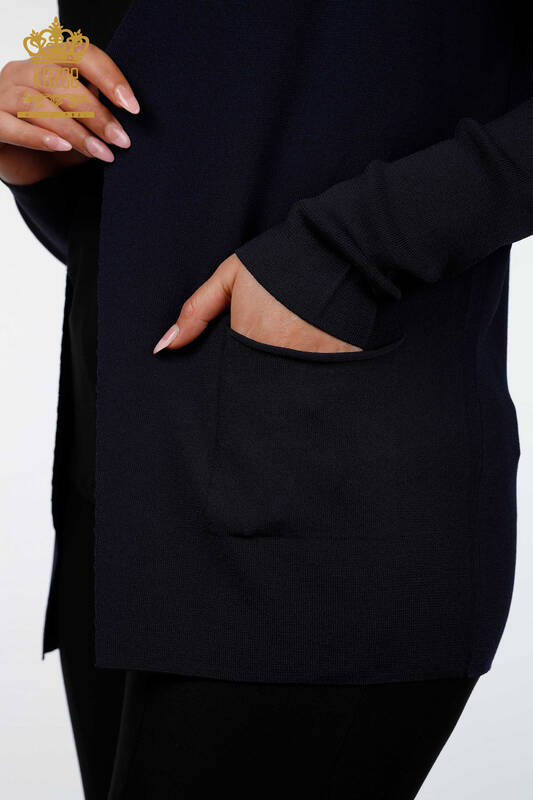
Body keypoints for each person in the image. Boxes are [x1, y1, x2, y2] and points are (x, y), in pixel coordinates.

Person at [1, 1, 531, 797]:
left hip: (321, 490)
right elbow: (188, 136)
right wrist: (41, 141)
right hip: (118, 496)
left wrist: (345, 254)